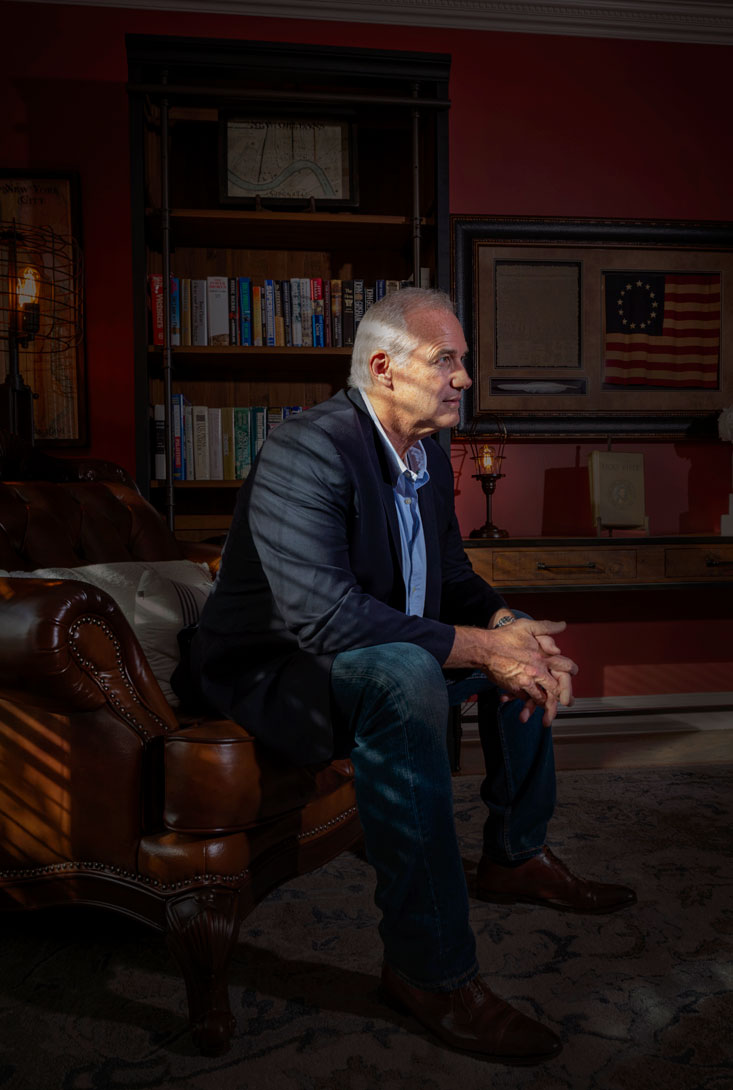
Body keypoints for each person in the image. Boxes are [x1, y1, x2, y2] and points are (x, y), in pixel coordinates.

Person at [189, 287, 635, 1065]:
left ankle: (515, 855)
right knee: (407, 672)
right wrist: (478, 647)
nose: (464, 377)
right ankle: (428, 973)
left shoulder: (424, 455)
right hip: (280, 671)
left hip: (364, 650)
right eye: (447, 360)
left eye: (463, 361)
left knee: (510, 651)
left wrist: (506, 630)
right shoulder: (307, 448)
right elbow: (322, 619)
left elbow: (453, 577)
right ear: (385, 368)